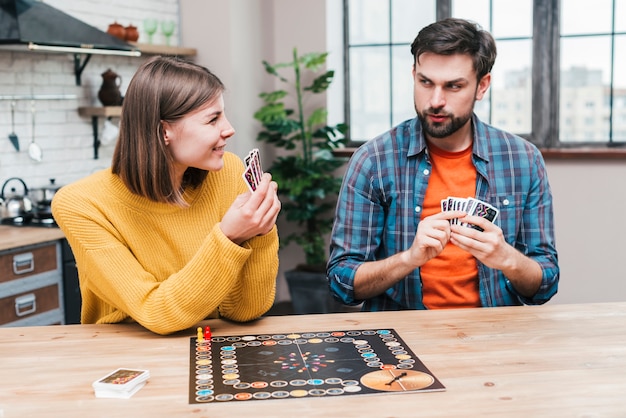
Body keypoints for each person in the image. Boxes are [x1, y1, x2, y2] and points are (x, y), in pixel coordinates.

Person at [327, 18, 559, 311]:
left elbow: (546, 283)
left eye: (453, 86)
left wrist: (508, 258)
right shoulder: (373, 161)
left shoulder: (523, 160)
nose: (435, 101)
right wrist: (409, 258)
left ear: (482, 85)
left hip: (494, 336)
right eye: (426, 82)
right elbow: (341, 282)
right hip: (404, 337)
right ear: (413, 75)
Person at [52, 56, 281, 334]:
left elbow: (246, 310)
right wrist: (229, 237)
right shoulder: (82, 205)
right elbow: (155, 312)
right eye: (212, 119)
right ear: (164, 131)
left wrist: (260, 232)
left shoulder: (229, 172)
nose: (229, 129)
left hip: (207, 347)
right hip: (126, 359)